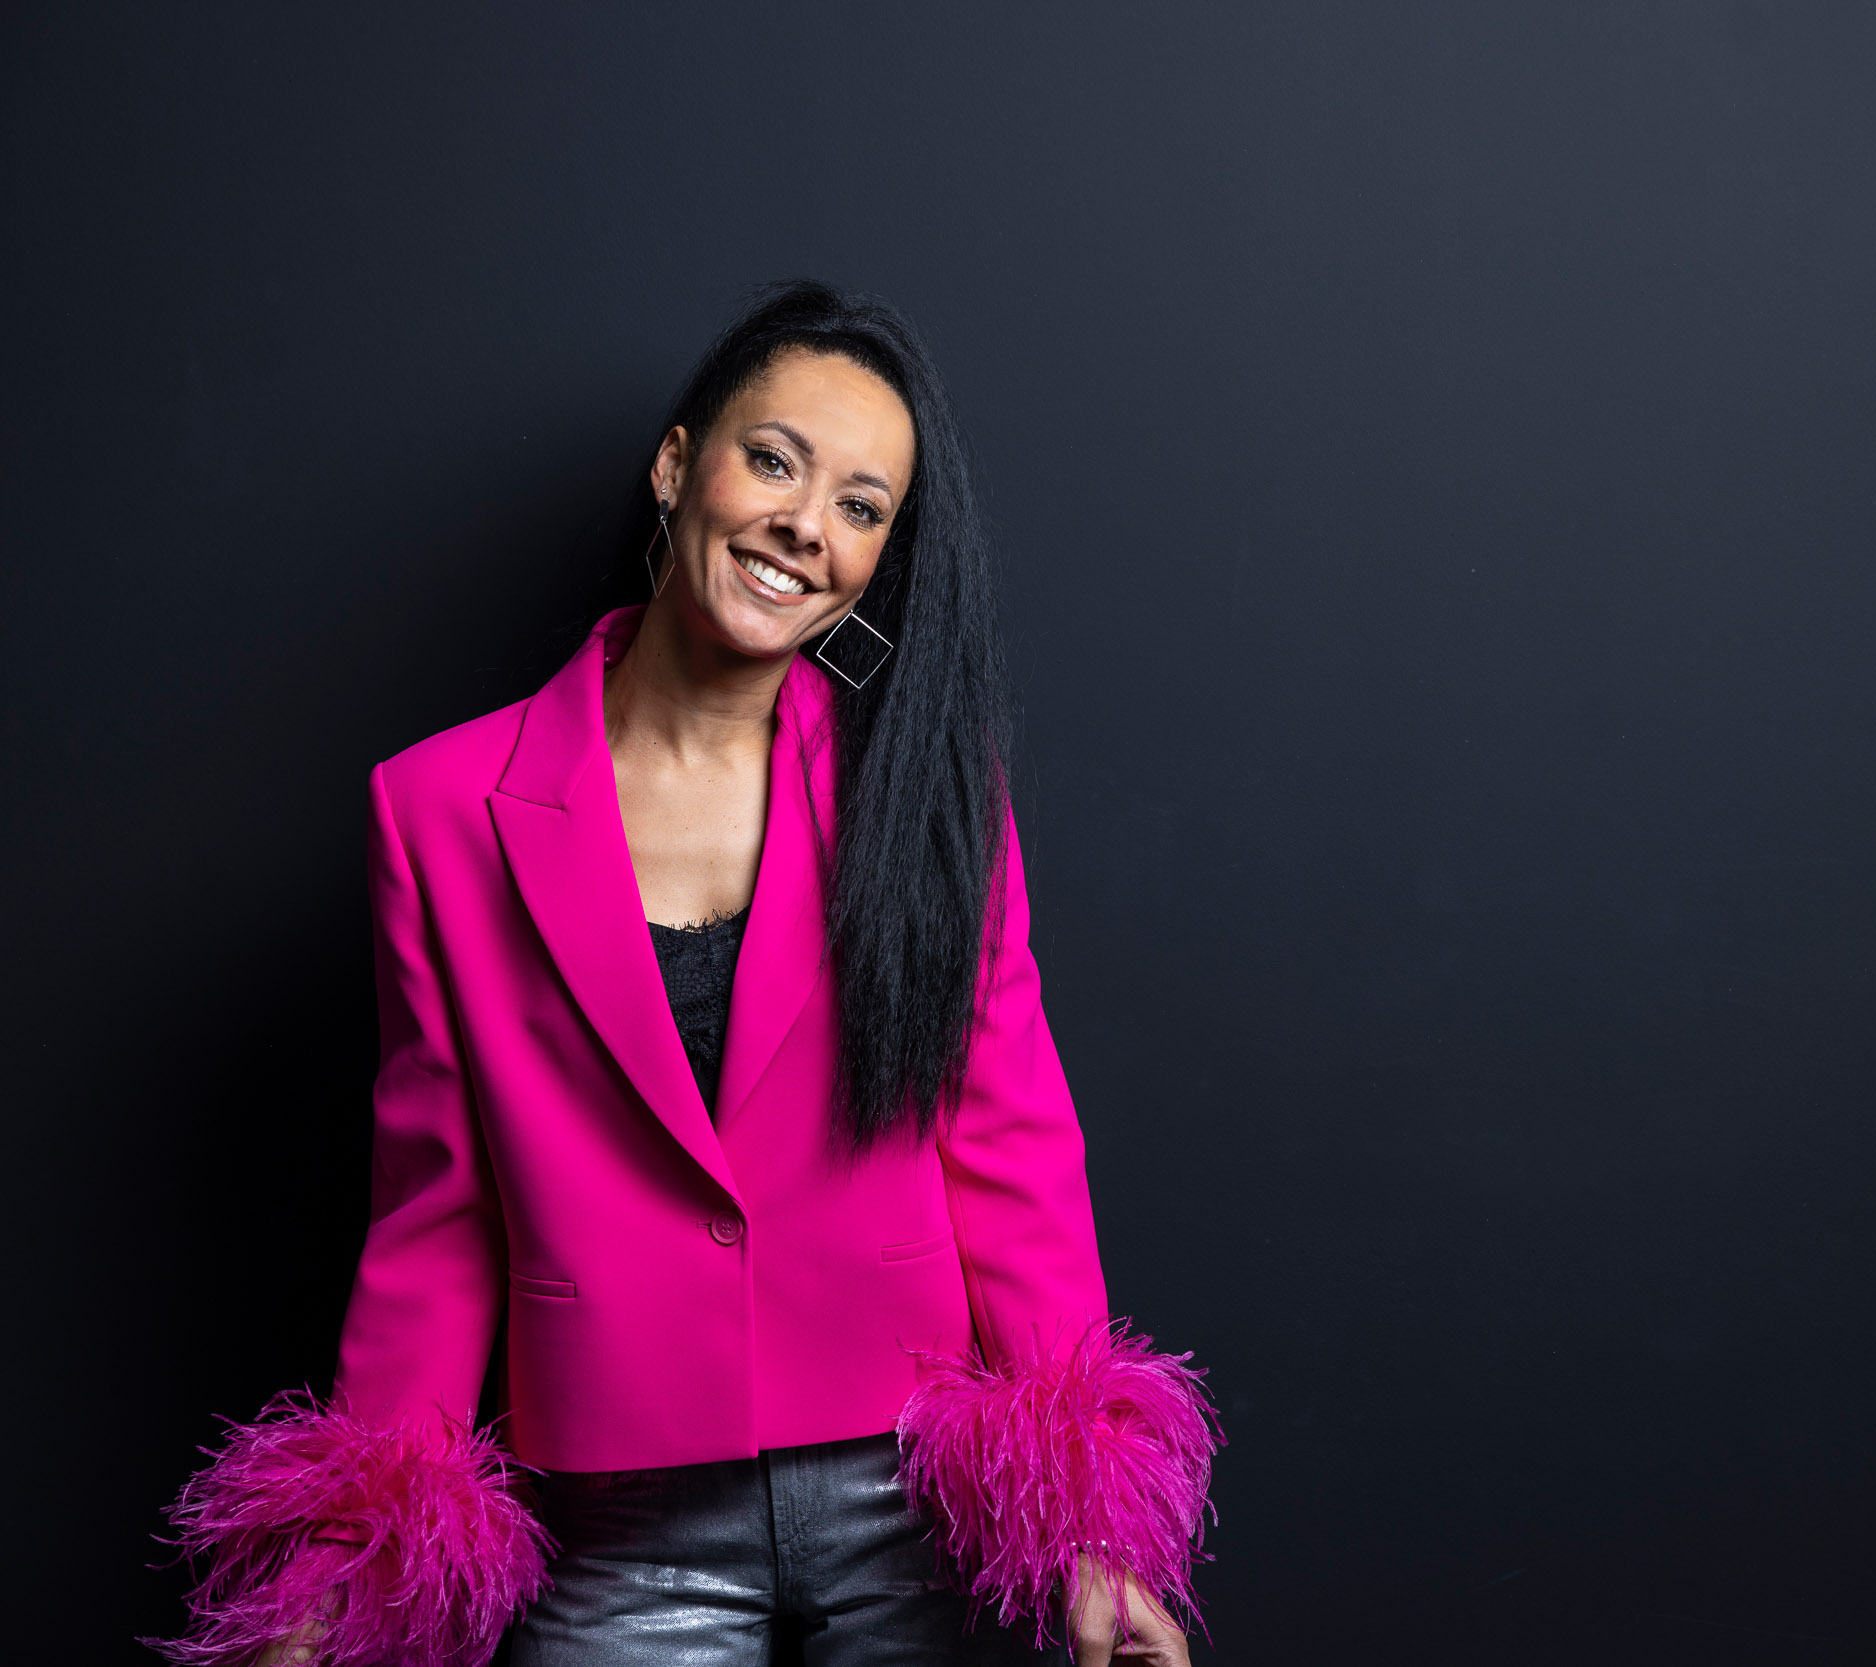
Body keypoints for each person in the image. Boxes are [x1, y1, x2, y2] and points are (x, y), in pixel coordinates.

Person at [150, 283, 1218, 1667]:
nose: (805, 525)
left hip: (915, 1494)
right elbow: (441, 1215)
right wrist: (343, 1558)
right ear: (676, 466)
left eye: (860, 506)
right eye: (774, 460)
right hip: (617, 1518)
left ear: (879, 559)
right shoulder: (439, 809)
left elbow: (1009, 1152)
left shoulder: (928, 800)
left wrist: (1093, 1530)